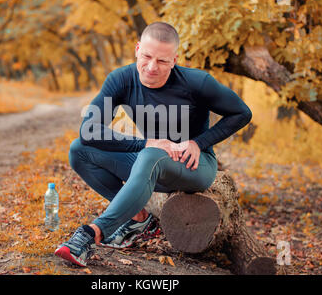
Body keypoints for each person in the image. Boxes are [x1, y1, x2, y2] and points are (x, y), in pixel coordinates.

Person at [54, 21, 252, 267]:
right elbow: (88, 130)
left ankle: (91, 234)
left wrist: (199, 143)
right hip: (148, 163)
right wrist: (146, 142)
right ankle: (139, 219)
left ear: (175, 60)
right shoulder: (121, 79)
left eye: (162, 61)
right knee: (79, 150)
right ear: (137, 49)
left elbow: (242, 113)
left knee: (150, 156)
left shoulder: (197, 82)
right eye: (146, 56)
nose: (151, 67)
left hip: (194, 166)